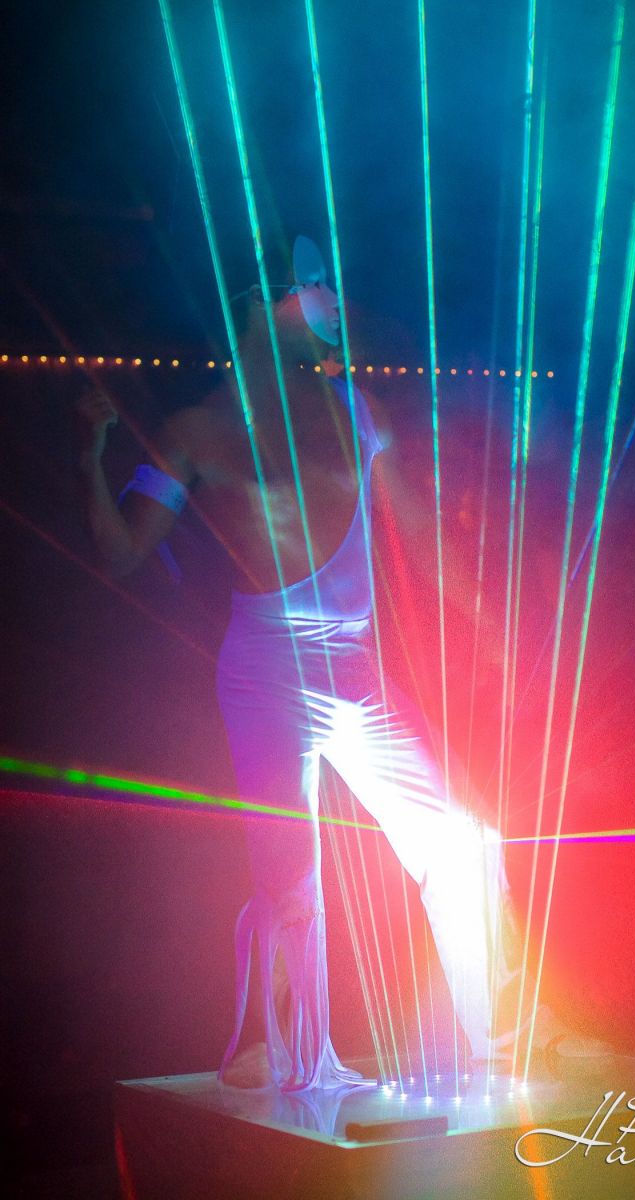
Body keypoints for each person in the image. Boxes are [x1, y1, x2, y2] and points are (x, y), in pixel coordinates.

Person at [76, 240, 602, 1092]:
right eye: (315, 280)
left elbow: (417, 531)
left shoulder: (356, 409)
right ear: (262, 299)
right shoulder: (196, 431)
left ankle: (508, 1028)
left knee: (463, 837)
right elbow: (124, 554)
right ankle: (276, 1048)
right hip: (267, 671)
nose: (332, 296)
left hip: (355, 665)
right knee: (291, 877)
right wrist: (89, 460)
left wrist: (489, 620)